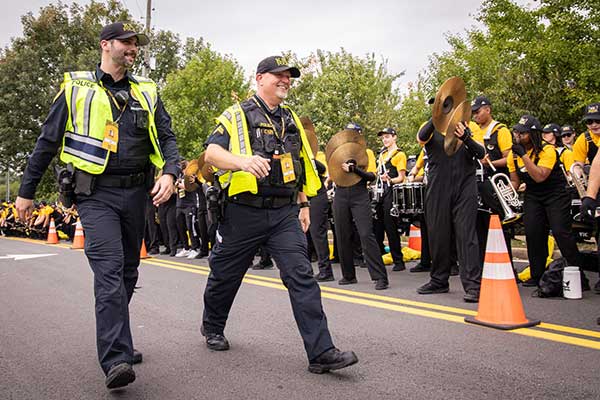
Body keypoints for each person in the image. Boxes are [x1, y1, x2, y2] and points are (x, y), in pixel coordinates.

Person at [15, 22, 180, 389]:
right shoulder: (76, 88)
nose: (133, 48)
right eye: (127, 42)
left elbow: (167, 136)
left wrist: (171, 172)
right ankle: (116, 359)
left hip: (137, 193)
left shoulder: (147, 91)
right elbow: (47, 142)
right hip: (96, 195)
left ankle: (117, 338)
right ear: (106, 45)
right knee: (109, 272)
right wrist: (26, 192)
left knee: (128, 273)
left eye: (136, 44)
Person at [201, 55, 358, 373]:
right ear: (259, 78)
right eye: (278, 75)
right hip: (243, 212)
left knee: (302, 277)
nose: (285, 80)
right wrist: (242, 162)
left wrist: (302, 203)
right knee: (225, 276)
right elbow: (211, 153)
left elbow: (297, 165)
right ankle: (213, 327)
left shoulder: (291, 119)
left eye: (289, 77)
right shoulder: (236, 114)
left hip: (284, 212)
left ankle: (321, 352)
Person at [508, 115, 586, 289]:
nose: (517, 136)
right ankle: (537, 275)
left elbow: (540, 176)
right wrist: (505, 192)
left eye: (522, 133)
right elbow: (515, 181)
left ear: (534, 134)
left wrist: (524, 156)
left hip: (555, 194)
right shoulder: (513, 156)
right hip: (533, 195)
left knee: (561, 232)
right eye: (516, 132)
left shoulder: (547, 150)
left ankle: (578, 275)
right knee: (533, 233)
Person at [416, 115, 484, 303]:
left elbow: (481, 153)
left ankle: (473, 286)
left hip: (465, 183)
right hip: (438, 185)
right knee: (438, 234)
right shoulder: (429, 126)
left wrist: (466, 137)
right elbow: (421, 137)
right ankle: (439, 280)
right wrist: (434, 117)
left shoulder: (470, 125)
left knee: (466, 235)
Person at [572, 103, 600, 293]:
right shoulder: (585, 139)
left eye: (597, 120)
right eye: (589, 121)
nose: (594, 124)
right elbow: (578, 164)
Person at [373, 127, 407, 271]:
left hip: (391, 193)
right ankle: (378, 256)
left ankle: (398, 260)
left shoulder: (399, 155)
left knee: (391, 227)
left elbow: (401, 178)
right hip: (380, 192)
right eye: (383, 138)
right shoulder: (382, 155)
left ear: (394, 137)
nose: (385, 140)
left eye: (387, 137)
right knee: (377, 226)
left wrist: (390, 180)